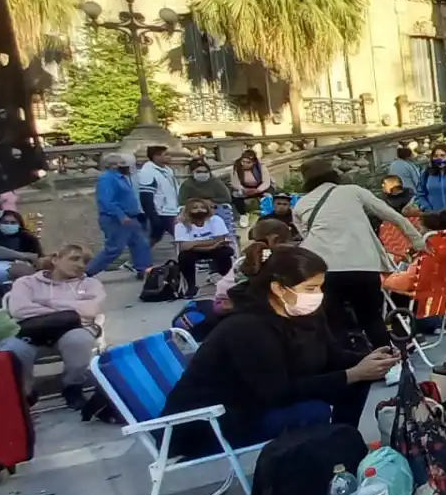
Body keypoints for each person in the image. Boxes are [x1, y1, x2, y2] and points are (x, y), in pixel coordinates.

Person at [159, 246, 400, 459]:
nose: (317, 295)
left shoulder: (304, 314)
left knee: (356, 381)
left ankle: (341, 449)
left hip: (257, 402)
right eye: (310, 288)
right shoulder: (245, 326)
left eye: (319, 287)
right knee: (313, 410)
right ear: (278, 288)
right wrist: (353, 373)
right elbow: (276, 392)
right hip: (212, 422)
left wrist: (370, 361)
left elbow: (332, 356)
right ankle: (316, 466)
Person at [293, 159, 426, 350]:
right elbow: (392, 215)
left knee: (335, 323)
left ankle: (349, 367)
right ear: (333, 174)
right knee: (371, 319)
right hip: (363, 266)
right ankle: (389, 364)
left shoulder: (300, 206)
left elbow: (308, 238)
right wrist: (417, 241)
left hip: (325, 270)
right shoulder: (353, 191)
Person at [0, 245, 105, 408]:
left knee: (80, 340)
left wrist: (45, 303)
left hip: (69, 332)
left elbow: (90, 310)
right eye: (74, 258)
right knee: (12, 348)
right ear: (55, 259)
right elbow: (20, 310)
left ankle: (72, 386)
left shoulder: (90, 284)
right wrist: (70, 311)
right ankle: (25, 391)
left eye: (85, 261)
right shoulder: (26, 282)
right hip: (32, 332)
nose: (81, 265)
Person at [86, 152, 152, 278]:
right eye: (122, 163)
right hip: (116, 219)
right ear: (113, 165)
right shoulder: (106, 178)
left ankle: (144, 269)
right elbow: (105, 200)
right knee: (114, 248)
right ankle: (87, 272)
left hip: (131, 217)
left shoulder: (121, 178)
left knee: (140, 244)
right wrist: (121, 215)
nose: (126, 166)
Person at [174, 197, 236, 293]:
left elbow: (220, 239)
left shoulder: (215, 220)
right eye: (195, 208)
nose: (199, 210)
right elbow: (184, 246)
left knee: (226, 252)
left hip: (214, 249)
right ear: (188, 211)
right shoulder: (181, 225)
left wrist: (194, 243)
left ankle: (226, 282)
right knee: (184, 257)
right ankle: (191, 286)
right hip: (195, 252)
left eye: (202, 207)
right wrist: (211, 245)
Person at [137, 145, 180, 245]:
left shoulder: (168, 170)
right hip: (161, 212)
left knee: (154, 238)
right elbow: (146, 197)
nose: (170, 157)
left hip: (171, 210)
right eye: (166, 155)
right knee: (180, 236)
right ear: (156, 156)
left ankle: (137, 258)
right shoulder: (147, 172)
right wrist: (153, 217)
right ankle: (137, 258)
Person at [229, 149, 272, 225]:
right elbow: (235, 183)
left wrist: (258, 190)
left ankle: (268, 214)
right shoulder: (237, 167)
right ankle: (243, 214)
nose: (245, 164)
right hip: (245, 188)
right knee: (236, 195)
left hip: (259, 188)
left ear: (254, 162)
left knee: (268, 196)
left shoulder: (261, 167)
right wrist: (243, 189)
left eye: (248, 162)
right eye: (243, 162)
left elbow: (266, 182)